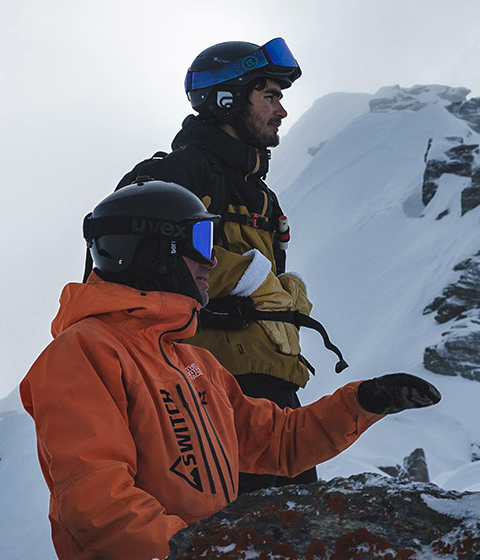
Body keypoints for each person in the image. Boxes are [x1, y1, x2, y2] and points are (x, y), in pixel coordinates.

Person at [23, 182, 441, 560]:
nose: (212, 261)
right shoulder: (83, 353)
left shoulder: (195, 362)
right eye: (202, 241)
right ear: (154, 251)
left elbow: (276, 443)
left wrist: (364, 401)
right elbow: (97, 504)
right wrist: (200, 551)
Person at [117, 37, 332, 492]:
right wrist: (251, 277)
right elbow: (139, 261)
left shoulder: (263, 198)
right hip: (201, 394)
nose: (282, 110)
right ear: (227, 99)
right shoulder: (179, 174)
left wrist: (281, 297)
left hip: (275, 396)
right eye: (270, 95)